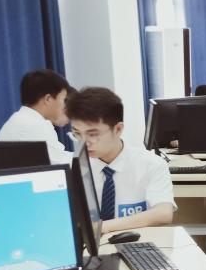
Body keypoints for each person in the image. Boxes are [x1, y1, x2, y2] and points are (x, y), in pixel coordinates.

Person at [66, 87, 175, 233]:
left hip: (138, 242)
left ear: (118, 129)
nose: (84, 142)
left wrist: (101, 227)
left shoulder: (151, 164)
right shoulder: (74, 168)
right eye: (77, 134)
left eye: (93, 134)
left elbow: (163, 213)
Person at [0, 69, 73, 165]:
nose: (64, 105)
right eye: (63, 100)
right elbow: (61, 163)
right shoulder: (35, 125)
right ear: (48, 99)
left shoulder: (22, 118)